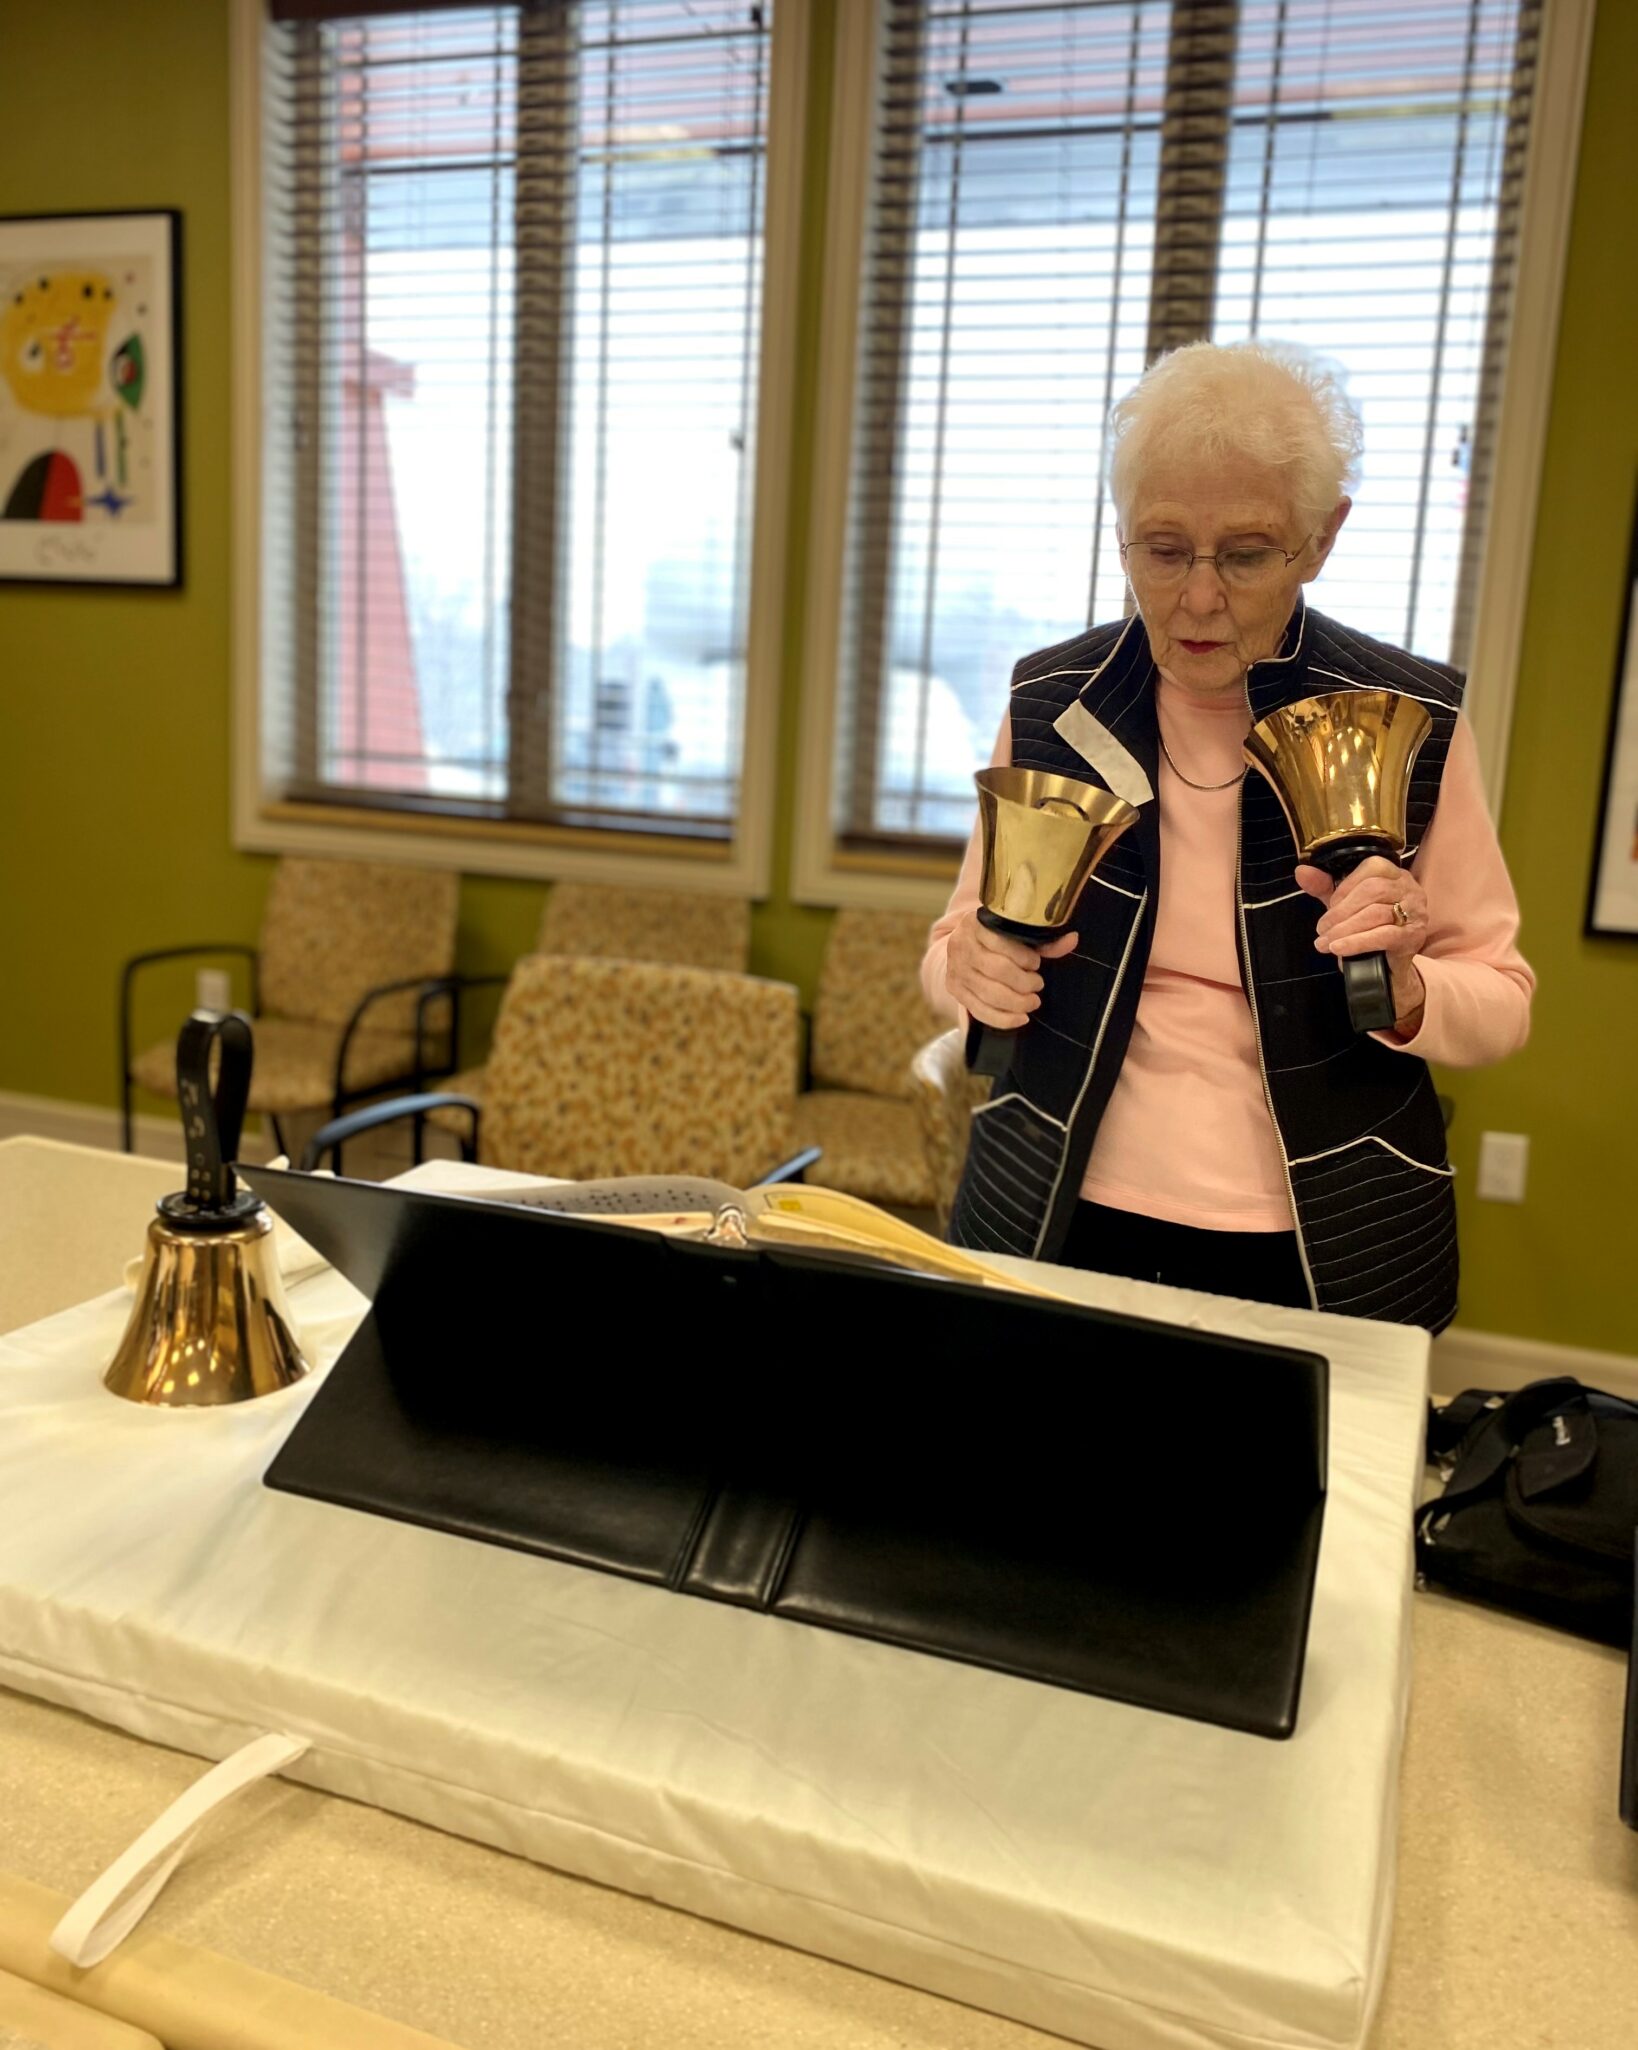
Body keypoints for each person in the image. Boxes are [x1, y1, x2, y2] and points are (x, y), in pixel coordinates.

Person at [922, 340, 1533, 1330]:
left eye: (1247, 553)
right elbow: (954, 951)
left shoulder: (1406, 719)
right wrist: (971, 975)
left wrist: (1412, 990)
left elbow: (1502, 1001)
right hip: (1056, 1207)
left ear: (1322, 537)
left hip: (1317, 1237)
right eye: (1162, 550)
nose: (1199, 598)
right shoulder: (1054, 701)